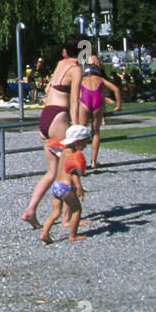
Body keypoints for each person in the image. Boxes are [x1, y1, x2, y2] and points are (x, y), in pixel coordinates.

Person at [21, 38, 82, 230]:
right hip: (59, 115)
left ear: (64, 52)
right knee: (68, 169)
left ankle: (30, 209)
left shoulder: (60, 64)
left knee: (53, 171)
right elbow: (74, 101)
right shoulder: (76, 69)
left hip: (46, 116)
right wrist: (78, 127)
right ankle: (65, 218)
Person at [40, 125, 90, 244]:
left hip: (56, 186)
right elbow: (73, 173)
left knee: (55, 213)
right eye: (85, 143)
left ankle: (44, 234)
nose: (86, 146)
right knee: (77, 210)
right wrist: (79, 187)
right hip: (66, 187)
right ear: (77, 142)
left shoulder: (63, 151)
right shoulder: (73, 155)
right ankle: (73, 235)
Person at [80, 56, 122, 169]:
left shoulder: (82, 80)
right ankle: (93, 161)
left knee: (80, 131)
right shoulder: (100, 79)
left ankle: (79, 162)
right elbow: (116, 90)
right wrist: (118, 105)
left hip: (85, 101)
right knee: (96, 132)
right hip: (97, 102)